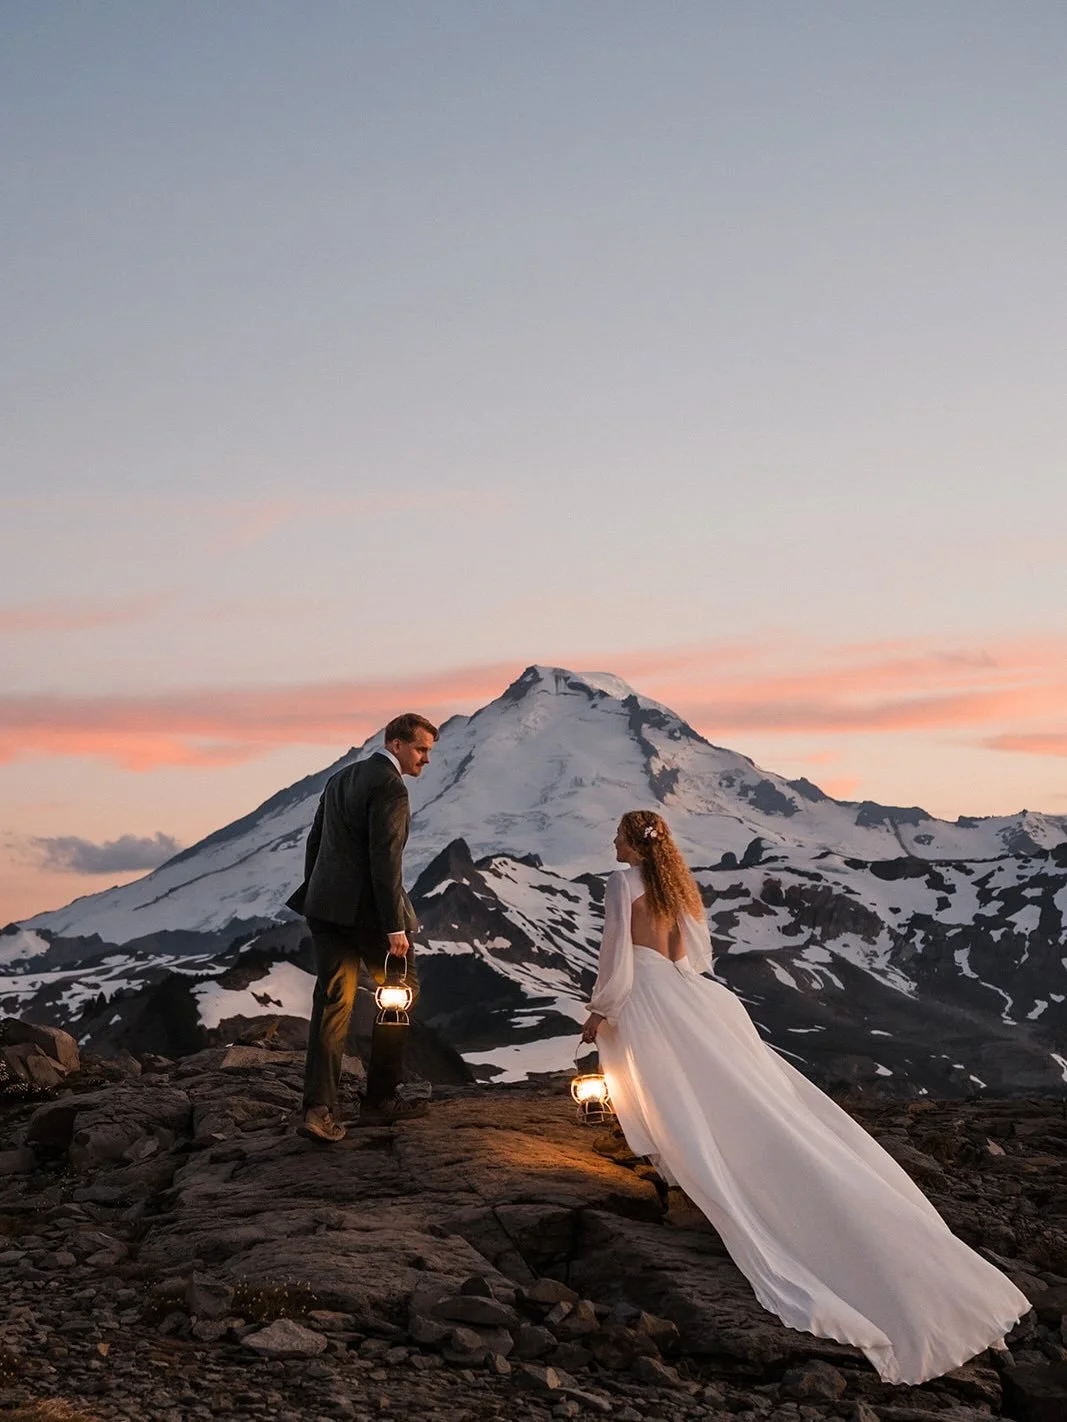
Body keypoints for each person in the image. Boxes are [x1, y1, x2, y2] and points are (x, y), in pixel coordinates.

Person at [579, 809, 1029, 1385]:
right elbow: (695, 957)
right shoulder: (678, 884)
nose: (611, 843)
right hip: (690, 992)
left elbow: (616, 954)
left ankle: (692, 1166)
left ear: (633, 845)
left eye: (616, 835)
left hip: (649, 996)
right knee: (731, 1093)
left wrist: (600, 1011)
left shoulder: (624, 883)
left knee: (674, 1091)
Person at [288, 712, 438, 1140]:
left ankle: (317, 1109)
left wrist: (316, 893)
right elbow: (385, 857)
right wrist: (394, 926)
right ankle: (379, 1101)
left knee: (333, 1002)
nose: (426, 760)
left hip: (325, 909)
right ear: (396, 744)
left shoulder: (340, 779)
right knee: (401, 991)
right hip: (368, 915)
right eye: (421, 749)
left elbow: (315, 842)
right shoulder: (390, 786)